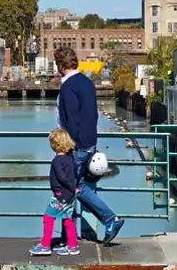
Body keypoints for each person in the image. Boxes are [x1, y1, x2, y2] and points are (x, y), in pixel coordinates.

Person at [54, 47, 125, 245]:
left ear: (60, 66)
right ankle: (73, 233)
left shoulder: (68, 87)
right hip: (90, 142)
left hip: (75, 146)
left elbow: (71, 119)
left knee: (70, 187)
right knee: (78, 186)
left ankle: (106, 221)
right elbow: (93, 115)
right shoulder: (87, 82)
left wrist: (68, 146)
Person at [29, 128, 80, 256]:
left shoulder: (57, 161)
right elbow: (74, 174)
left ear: (55, 145)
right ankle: (73, 246)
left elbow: (61, 177)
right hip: (70, 196)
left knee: (48, 217)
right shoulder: (70, 159)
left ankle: (45, 245)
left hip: (60, 195)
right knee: (68, 219)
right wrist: (74, 188)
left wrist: (71, 188)